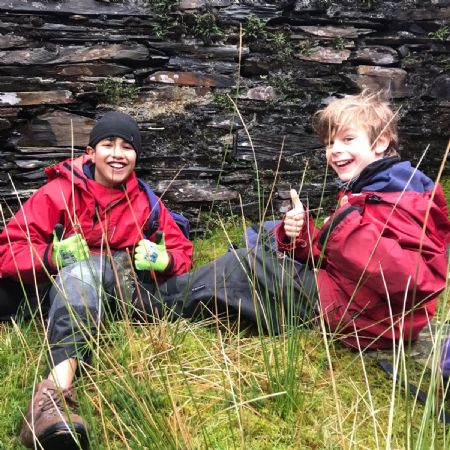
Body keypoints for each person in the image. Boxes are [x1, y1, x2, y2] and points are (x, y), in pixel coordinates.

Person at [134, 90, 449, 352]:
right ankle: (173, 295)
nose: (335, 151)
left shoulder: (403, 196)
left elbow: (418, 283)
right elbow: (339, 258)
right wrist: (299, 236)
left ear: (380, 142)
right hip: (353, 301)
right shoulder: (371, 187)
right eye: (329, 143)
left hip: (371, 320)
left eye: (348, 139)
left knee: (248, 264)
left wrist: (342, 227)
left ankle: (145, 304)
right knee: (263, 243)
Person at [0, 112, 193, 449]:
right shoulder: (57, 193)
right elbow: (8, 250)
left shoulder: (146, 204)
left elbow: (181, 252)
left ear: (136, 157)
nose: (118, 154)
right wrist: (51, 256)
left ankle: (52, 399)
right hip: (57, 289)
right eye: (108, 144)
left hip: (116, 294)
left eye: (127, 147)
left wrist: (165, 261)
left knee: (89, 270)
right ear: (90, 152)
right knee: (75, 273)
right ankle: (53, 400)